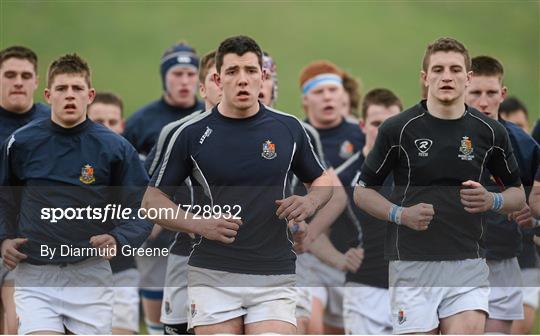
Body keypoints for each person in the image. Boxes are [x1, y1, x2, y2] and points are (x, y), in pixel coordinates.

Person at [142, 35, 332, 334]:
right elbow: (152, 202)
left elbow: (322, 180)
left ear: (263, 76)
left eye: (250, 71)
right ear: (218, 79)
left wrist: (309, 202)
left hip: (274, 273)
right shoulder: (190, 134)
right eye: (232, 72)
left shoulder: (288, 128)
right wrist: (199, 225)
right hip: (212, 273)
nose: (242, 80)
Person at [354, 37, 526, 334]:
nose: (447, 76)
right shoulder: (398, 129)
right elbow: (362, 191)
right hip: (411, 265)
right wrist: (400, 214)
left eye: (455, 69)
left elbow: (517, 193)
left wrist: (492, 201)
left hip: (468, 264)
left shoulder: (491, 132)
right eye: (438, 69)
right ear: (425, 77)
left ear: (467, 77)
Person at [0, 53, 152, 334]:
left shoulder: (115, 149)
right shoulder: (20, 143)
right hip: (36, 273)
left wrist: (119, 237)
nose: (70, 96)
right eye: (61, 89)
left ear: (90, 94)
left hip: (90, 273)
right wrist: (4, 238)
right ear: (47, 95)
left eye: (77, 88)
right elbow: (4, 198)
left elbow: (144, 208)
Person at [123, 41, 204, 334]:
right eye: (177, 74)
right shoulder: (142, 122)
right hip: (155, 227)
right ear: (164, 77)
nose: (184, 81)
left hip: (199, 227)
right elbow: (128, 176)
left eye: (190, 74)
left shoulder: (209, 118)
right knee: (160, 309)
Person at [465, 55, 540, 334]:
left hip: (503, 261)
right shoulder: (442, 138)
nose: (483, 102)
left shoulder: (523, 145)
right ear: (463, 90)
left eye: (491, 93)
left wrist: (533, 217)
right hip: (454, 261)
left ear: (502, 93)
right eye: (475, 93)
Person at [155, 50, 221, 335]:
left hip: (246, 259)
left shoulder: (266, 131)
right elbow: (152, 196)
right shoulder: (176, 132)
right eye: (218, 78)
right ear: (203, 88)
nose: (227, 85)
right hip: (185, 253)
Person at [297, 60, 365, 334]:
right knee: (310, 325)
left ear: (344, 96)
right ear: (305, 100)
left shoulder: (362, 135)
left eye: (333, 90)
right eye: (319, 92)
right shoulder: (295, 137)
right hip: (309, 254)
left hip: (352, 255)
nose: (327, 97)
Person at [0, 45, 50, 334]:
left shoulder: (52, 123)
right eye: (9, 74)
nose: (18, 81)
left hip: (26, 244)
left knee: (16, 322)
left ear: (36, 81)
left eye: (25, 75)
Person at [344, 88, 402, 335]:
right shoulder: (342, 177)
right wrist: (337, 256)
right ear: (362, 125)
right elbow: (314, 232)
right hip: (362, 290)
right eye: (377, 123)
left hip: (408, 291)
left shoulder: (416, 173)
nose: (384, 131)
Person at [87, 92, 141, 335]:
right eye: (99, 122)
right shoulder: (69, 165)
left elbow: (151, 216)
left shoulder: (138, 166)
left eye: (112, 122)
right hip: (74, 269)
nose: (107, 129)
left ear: (123, 125)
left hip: (122, 269)